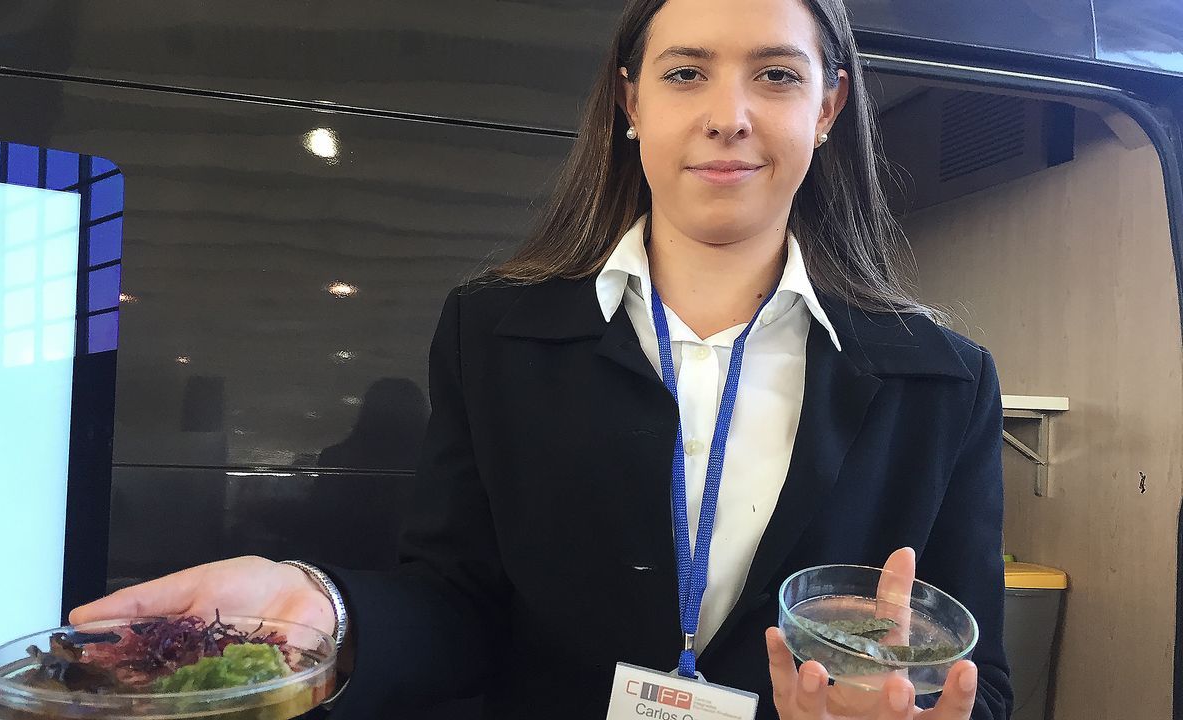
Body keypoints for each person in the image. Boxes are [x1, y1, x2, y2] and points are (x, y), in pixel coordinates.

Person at [70, 0, 1012, 717]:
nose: (729, 115)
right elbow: (459, 604)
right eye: (686, 73)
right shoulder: (496, 334)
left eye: (775, 75)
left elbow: (980, 681)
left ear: (828, 105)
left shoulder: (942, 383)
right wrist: (327, 614)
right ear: (631, 100)